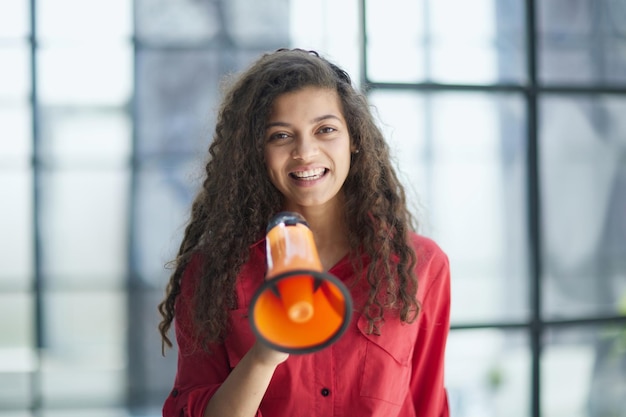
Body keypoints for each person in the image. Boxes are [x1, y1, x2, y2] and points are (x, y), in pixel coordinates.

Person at [158, 48, 451, 417]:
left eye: (325, 130)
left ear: (354, 138)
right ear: (256, 152)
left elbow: (428, 404)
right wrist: (265, 354)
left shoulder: (421, 267)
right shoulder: (213, 272)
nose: (305, 152)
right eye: (281, 136)